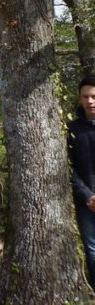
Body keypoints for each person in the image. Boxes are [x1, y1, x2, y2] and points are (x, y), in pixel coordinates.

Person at [68, 74, 95, 289]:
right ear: (79, 98)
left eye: (94, 96)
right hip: (87, 201)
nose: (90, 101)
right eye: (85, 96)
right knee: (92, 250)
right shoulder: (72, 129)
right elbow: (68, 168)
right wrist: (87, 195)